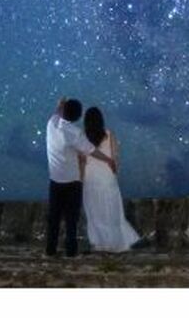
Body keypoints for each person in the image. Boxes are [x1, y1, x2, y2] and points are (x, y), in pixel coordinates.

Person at [46, 96, 117, 257]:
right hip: (72, 181)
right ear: (78, 117)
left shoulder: (51, 124)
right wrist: (108, 160)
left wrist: (59, 105)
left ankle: (50, 249)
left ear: (63, 112)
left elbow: (56, 113)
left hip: (55, 180)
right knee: (71, 218)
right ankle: (71, 251)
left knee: (54, 217)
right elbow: (92, 150)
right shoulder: (75, 133)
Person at [80, 106, 141, 252]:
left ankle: (100, 243)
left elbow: (81, 161)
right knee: (112, 211)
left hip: (90, 177)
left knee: (95, 211)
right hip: (107, 176)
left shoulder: (81, 137)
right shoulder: (109, 134)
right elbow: (115, 157)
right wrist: (114, 172)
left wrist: (80, 179)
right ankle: (116, 243)